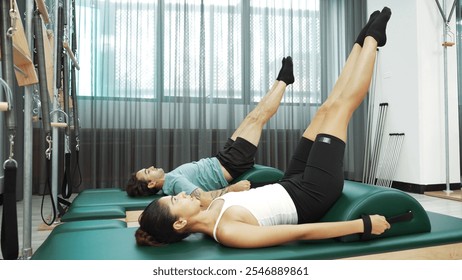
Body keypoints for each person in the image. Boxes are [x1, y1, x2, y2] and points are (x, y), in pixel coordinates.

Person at [135, 7, 393, 248]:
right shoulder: (227, 232)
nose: (179, 195)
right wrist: (363, 224)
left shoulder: (209, 207)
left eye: (173, 196)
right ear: (179, 222)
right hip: (312, 194)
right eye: (174, 200)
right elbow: (298, 233)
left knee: (325, 110)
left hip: (289, 183)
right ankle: (373, 41)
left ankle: (359, 45)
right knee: (341, 109)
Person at [125, 56, 295, 208]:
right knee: (259, 119)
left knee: (253, 116)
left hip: (222, 158)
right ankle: (284, 82)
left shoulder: (170, 181)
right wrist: (232, 189)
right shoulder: (175, 183)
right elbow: (204, 199)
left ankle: (280, 80)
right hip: (232, 163)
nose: (152, 167)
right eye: (148, 171)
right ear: (151, 184)